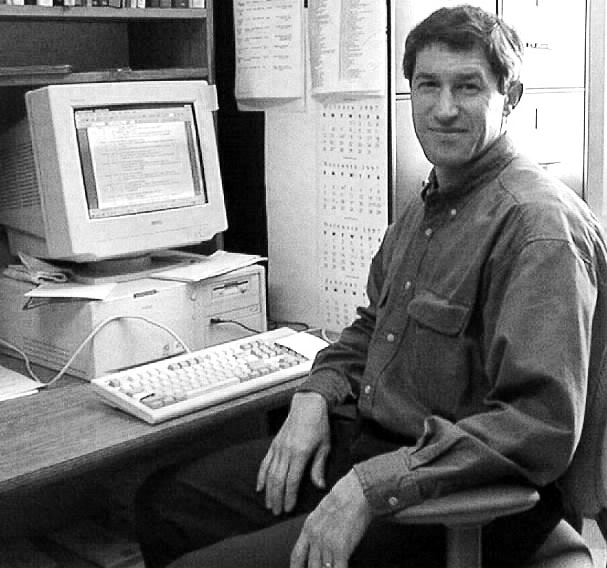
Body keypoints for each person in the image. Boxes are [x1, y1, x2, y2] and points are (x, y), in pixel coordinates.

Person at [135, 5, 607, 567]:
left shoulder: (538, 229)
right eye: (428, 85)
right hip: (376, 449)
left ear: (511, 97)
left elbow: (536, 428)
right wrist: (318, 391)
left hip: (466, 501)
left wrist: (370, 486)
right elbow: (371, 327)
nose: (445, 108)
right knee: (165, 502)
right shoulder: (430, 204)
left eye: (468, 87)